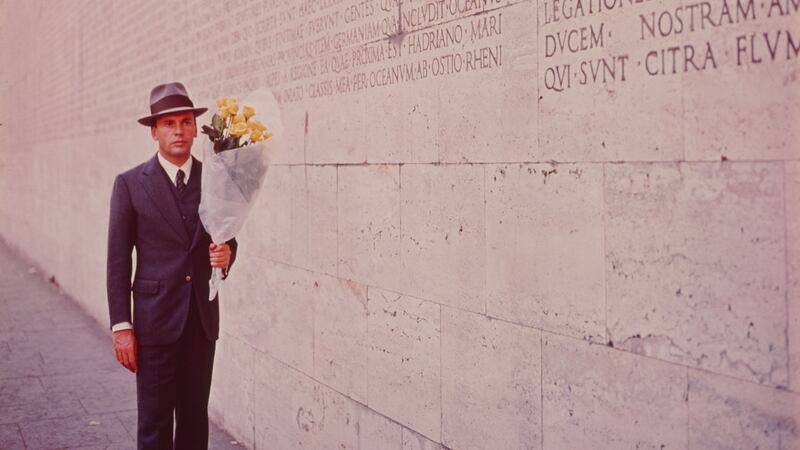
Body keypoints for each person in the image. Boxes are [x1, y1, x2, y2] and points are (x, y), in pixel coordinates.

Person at [106, 82, 238, 449]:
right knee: (155, 422)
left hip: (200, 319)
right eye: (168, 124)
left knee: (195, 419)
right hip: (154, 322)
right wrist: (121, 326)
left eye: (184, 122)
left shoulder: (214, 179)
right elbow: (117, 260)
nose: (178, 131)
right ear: (154, 131)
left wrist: (226, 257)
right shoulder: (130, 184)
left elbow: (227, 236)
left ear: (196, 128)